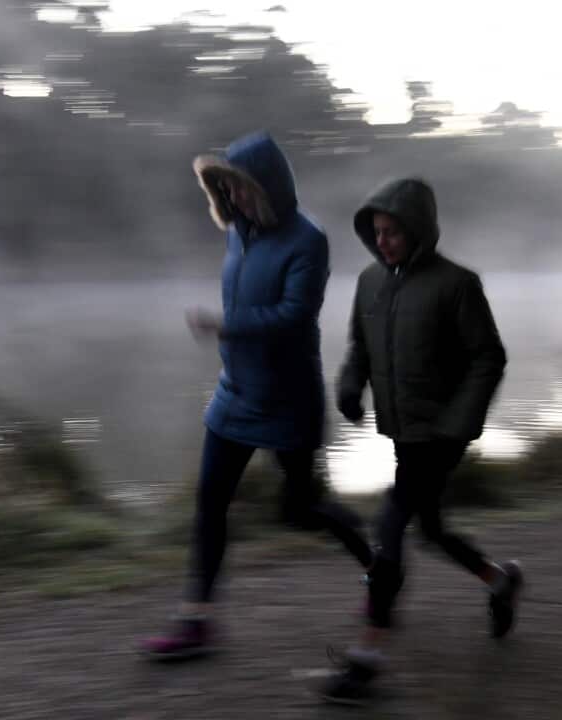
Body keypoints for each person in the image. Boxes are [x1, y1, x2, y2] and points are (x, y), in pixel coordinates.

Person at [141, 131, 373, 661]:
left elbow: (293, 316)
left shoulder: (308, 240)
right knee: (210, 502)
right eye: (227, 189)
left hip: (287, 397)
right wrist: (228, 336)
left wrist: (223, 326)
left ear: (269, 185)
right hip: (235, 391)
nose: (235, 198)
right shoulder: (238, 233)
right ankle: (196, 621)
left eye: (242, 188)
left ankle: (377, 567)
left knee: (301, 509)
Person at [320, 177, 523, 705]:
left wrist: (459, 424)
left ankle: (366, 658)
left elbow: (488, 358)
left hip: (441, 435)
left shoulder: (457, 285)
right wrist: (349, 388)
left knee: (389, 526)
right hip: (403, 432)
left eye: (393, 231)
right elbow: (359, 348)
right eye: (377, 231)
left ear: (418, 230)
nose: (383, 240)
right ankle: (500, 581)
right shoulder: (369, 282)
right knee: (430, 530)